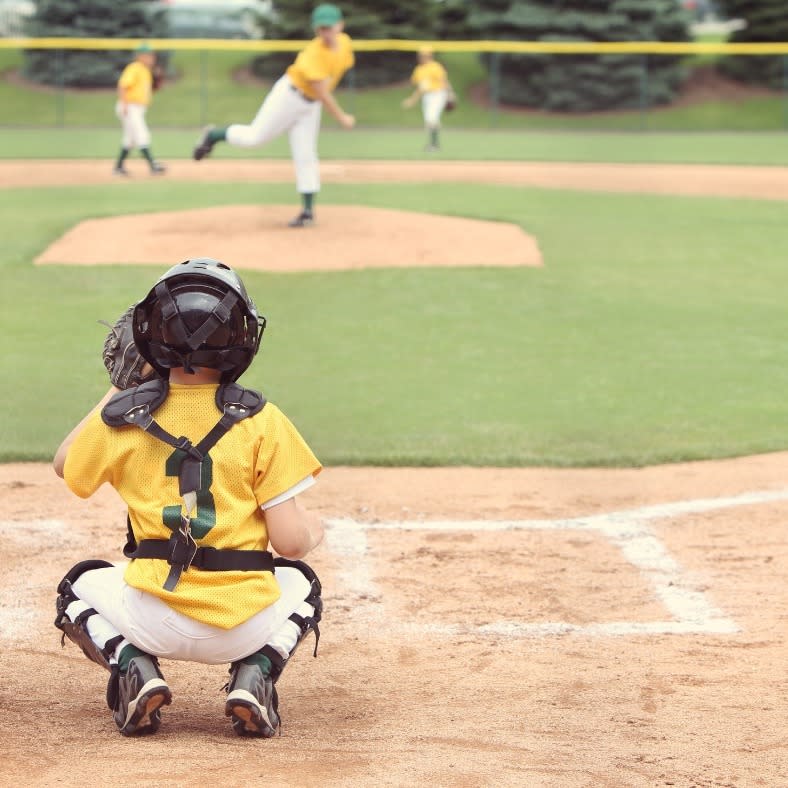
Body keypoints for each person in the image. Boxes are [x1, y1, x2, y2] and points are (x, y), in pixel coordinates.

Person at [52, 257, 325, 738]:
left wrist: (120, 390)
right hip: (244, 624)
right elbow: (292, 544)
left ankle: (134, 665)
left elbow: (65, 464)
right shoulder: (263, 420)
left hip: (151, 617)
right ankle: (256, 670)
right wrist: (316, 529)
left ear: (147, 337)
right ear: (243, 338)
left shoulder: (126, 418)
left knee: (78, 586)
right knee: (302, 582)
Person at [192, 3, 355, 228]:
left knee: (306, 155)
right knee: (254, 138)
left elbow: (334, 74)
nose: (325, 32)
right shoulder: (313, 54)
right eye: (321, 28)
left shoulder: (345, 44)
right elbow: (322, 91)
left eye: (329, 27)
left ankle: (307, 211)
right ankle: (213, 135)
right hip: (289, 97)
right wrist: (342, 117)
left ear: (340, 26)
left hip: (310, 106)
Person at [114, 43, 166, 177]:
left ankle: (118, 167)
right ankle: (153, 165)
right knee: (142, 134)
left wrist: (158, 82)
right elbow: (122, 85)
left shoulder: (146, 70)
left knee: (130, 139)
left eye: (152, 55)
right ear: (140, 56)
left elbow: (148, 90)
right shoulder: (134, 68)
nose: (152, 58)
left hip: (137, 108)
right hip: (130, 107)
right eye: (148, 55)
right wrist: (124, 105)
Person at [401, 47, 453, 152]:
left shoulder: (436, 67)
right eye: (421, 55)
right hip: (426, 96)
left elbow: (444, 81)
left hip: (438, 94)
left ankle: (434, 145)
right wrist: (412, 99)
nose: (422, 57)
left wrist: (450, 93)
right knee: (429, 121)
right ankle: (434, 144)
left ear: (430, 56)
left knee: (431, 118)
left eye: (425, 55)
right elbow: (420, 87)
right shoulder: (419, 69)